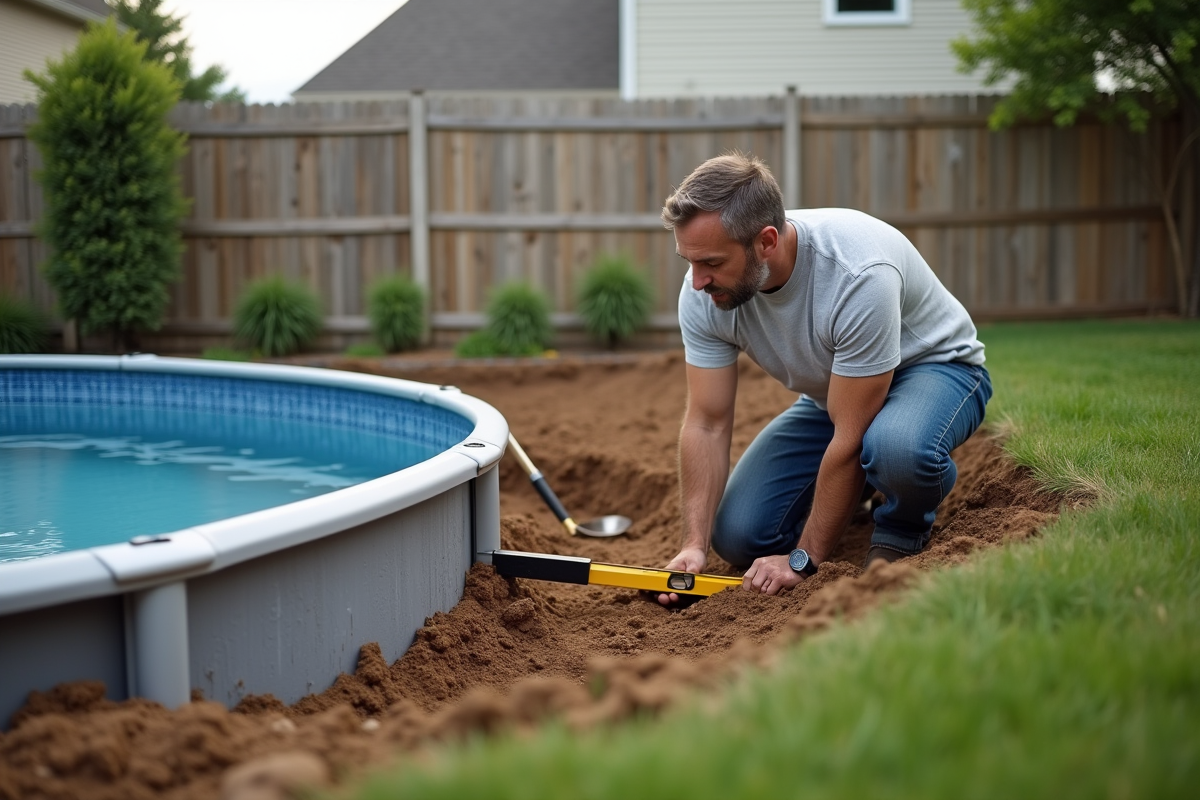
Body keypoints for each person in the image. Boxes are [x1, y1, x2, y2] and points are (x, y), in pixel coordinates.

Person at [657, 153, 990, 606]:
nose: (696, 281)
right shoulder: (703, 293)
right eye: (689, 261)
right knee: (739, 536)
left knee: (895, 448)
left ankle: (900, 526)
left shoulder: (856, 274)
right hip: (834, 396)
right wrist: (693, 544)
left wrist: (802, 559)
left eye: (711, 262)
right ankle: (866, 487)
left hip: (935, 370)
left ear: (766, 242)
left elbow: (849, 436)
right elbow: (707, 423)